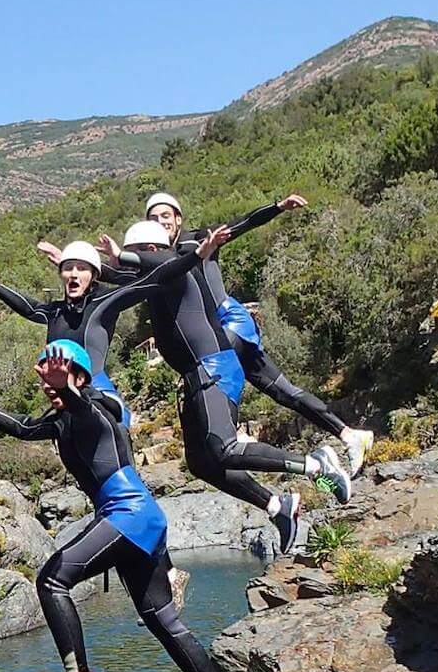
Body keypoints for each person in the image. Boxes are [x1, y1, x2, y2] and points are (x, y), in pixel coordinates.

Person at [0, 339, 247, 672]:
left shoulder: (95, 406)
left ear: (80, 376)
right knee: (163, 621)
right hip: (139, 517)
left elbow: (84, 407)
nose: (49, 383)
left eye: (60, 373)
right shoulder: (62, 418)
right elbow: (22, 427)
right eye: (46, 376)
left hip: (127, 512)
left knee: (51, 579)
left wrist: (67, 387)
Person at [100, 208, 351, 555]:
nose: (133, 263)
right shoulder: (153, 277)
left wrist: (120, 255)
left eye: (138, 253)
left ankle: (316, 464)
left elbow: (162, 262)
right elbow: (116, 280)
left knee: (224, 447)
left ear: (152, 250)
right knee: (202, 464)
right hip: (194, 376)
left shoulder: (173, 264)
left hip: (213, 366)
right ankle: (278, 507)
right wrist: (76, 267)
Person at [139, 191, 374, 472]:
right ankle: (350, 436)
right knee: (284, 392)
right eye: (153, 218)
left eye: (165, 216)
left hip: (229, 324)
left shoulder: (200, 239)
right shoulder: (155, 259)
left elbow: (244, 222)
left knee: (211, 371)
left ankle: (232, 430)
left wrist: (278, 207)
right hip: (215, 339)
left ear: (178, 219)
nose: (160, 221)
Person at [0, 237, 196, 428]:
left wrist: (197, 254)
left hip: (97, 391)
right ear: (61, 273)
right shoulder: (55, 312)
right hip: (64, 392)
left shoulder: (105, 301)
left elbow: (152, 280)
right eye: (68, 267)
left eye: (82, 268)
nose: (74, 274)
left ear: (94, 275)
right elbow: (28, 308)